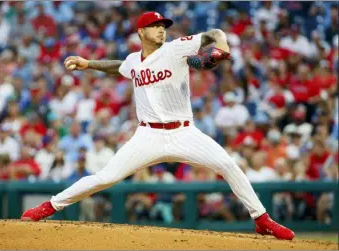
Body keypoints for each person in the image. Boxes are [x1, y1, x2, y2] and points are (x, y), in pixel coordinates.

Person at [21, 11, 294, 240]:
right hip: (148, 135)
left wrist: (221, 45)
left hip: (184, 132)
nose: (161, 30)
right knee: (105, 178)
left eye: (163, 26)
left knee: (228, 164)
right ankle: (49, 206)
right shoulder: (133, 60)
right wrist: (89, 63)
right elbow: (120, 66)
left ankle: (261, 218)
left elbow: (213, 34)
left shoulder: (175, 49)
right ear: (141, 32)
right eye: (155, 26)